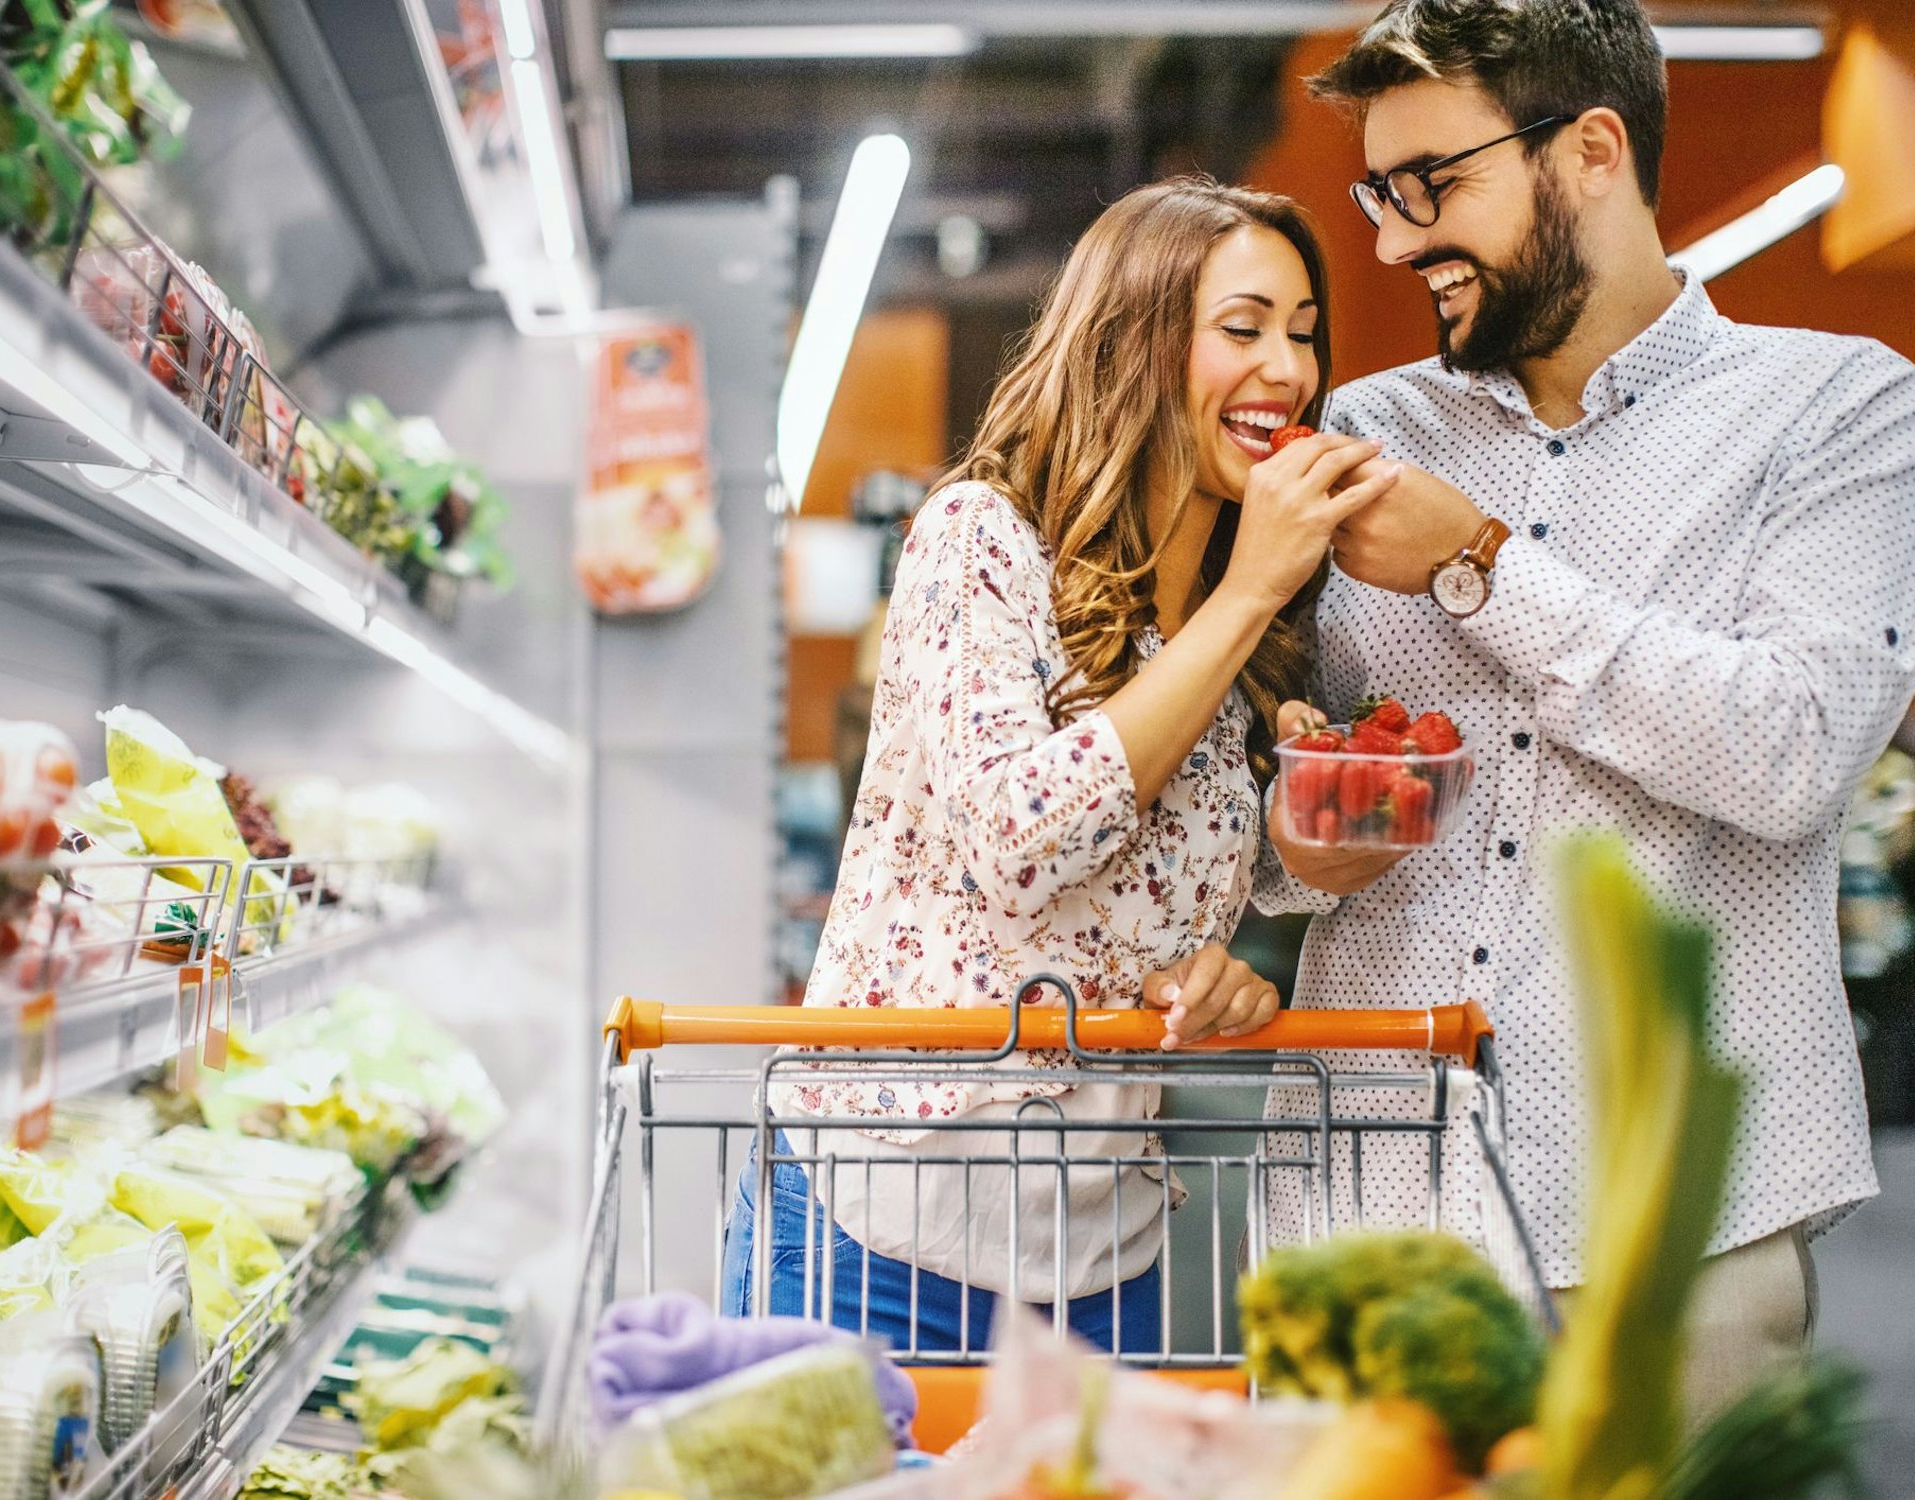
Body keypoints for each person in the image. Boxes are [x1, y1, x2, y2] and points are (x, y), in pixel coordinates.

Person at [1255, 0, 1915, 1417]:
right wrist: (1295, 845)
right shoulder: (1362, 437)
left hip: (1682, 1222)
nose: (1389, 240)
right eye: (1379, 193)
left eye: (1434, 184)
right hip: (1368, 1199)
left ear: (1594, 149)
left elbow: (1794, 750)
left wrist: (1481, 566)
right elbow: (1250, 806)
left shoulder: (1842, 412)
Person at [720, 177, 1399, 1353]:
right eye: (1240, 330)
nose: (1286, 371)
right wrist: (1246, 596)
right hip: (882, 1217)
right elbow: (1019, 840)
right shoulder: (981, 539)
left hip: (1103, 1248)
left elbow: (1237, 882)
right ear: (1133, 340)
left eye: (1301, 334)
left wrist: (1252, 938)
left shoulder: (1246, 618)